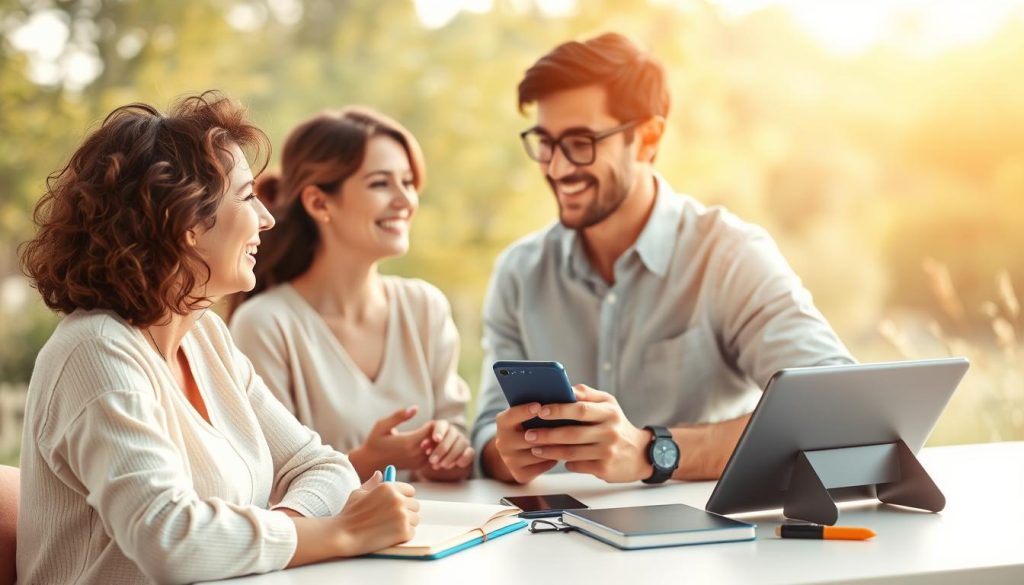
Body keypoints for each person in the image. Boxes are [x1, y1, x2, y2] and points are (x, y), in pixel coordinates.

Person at [17, 92, 419, 584]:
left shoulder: (204, 334)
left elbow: (322, 466)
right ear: (185, 221)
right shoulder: (96, 351)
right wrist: (342, 533)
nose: (267, 219)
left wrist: (279, 533)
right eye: (247, 198)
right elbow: (171, 540)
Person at [471, 33, 855, 485]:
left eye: (580, 142)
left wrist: (652, 450)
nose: (556, 168)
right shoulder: (519, 273)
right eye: (545, 143)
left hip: (705, 548)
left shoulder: (728, 256)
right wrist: (506, 453)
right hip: (553, 543)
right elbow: (487, 436)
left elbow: (838, 409)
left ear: (648, 138)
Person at [229, 108, 473, 482]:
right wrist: (365, 460)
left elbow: (461, 454)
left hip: (442, 535)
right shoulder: (264, 324)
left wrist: (450, 449)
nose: (405, 200)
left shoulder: (425, 306)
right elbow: (268, 485)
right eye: (380, 184)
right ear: (319, 203)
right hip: (338, 539)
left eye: (408, 182)